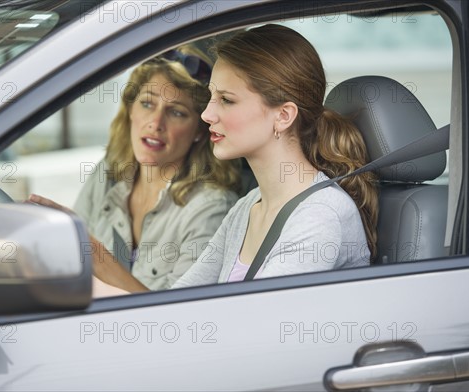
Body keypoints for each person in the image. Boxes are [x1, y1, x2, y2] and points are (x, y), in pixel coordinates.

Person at [92, 24, 378, 296]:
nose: (206, 115)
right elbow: (178, 305)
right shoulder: (248, 207)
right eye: (211, 96)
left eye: (226, 100)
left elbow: (253, 325)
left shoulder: (318, 216)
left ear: (283, 116)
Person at [30, 46, 241, 291]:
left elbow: (178, 319)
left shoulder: (211, 208)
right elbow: (70, 263)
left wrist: (96, 254)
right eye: (147, 104)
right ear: (130, 110)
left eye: (176, 112)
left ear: (198, 131)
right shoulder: (108, 173)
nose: (156, 123)